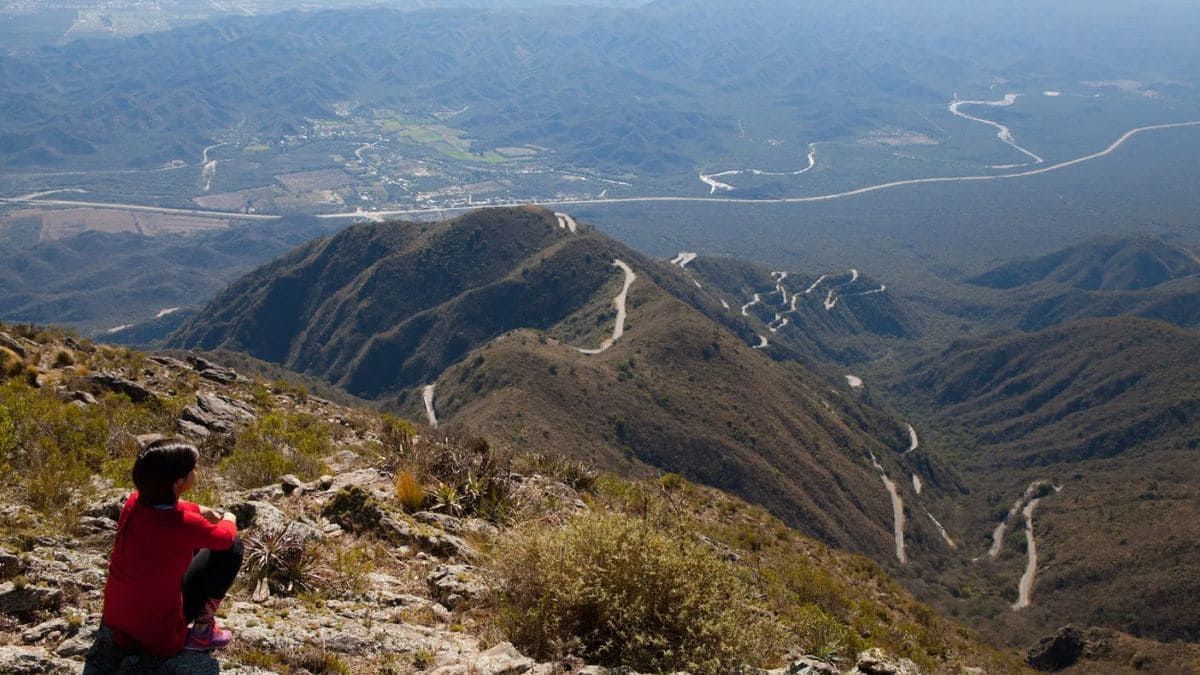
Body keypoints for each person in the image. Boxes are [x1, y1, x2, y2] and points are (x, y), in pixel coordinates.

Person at [100, 438, 244, 657]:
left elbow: (168, 509)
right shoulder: (185, 525)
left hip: (117, 621)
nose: (196, 472)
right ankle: (202, 632)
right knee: (233, 548)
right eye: (193, 469)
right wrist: (230, 518)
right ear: (178, 482)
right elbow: (225, 538)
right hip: (160, 636)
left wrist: (199, 508)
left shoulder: (133, 503)